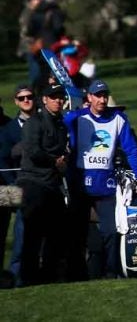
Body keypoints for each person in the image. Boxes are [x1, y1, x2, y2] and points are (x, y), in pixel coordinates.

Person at [65, 79, 137, 280]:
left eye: (104, 95)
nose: (102, 99)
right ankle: (77, 274)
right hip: (80, 185)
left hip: (107, 186)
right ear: (89, 98)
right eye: (97, 95)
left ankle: (111, 271)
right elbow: (61, 123)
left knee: (111, 231)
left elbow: (132, 150)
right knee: (77, 233)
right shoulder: (77, 117)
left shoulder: (119, 119)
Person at [16, 84, 69, 286]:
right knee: (32, 234)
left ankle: (49, 276)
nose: (58, 100)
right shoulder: (34, 122)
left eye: (60, 97)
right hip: (32, 183)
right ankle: (28, 279)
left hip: (52, 184)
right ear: (44, 100)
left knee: (56, 233)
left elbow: (62, 151)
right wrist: (55, 160)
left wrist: (64, 161)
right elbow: (32, 151)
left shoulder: (61, 124)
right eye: (53, 97)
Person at [0, 84, 35, 273]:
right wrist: (14, 185)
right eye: (22, 98)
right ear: (16, 101)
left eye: (29, 97)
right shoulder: (9, 128)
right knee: (14, 227)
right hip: (8, 186)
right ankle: (15, 271)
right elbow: (3, 159)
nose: (26, 100)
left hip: (29, 184)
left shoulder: (6, 123)